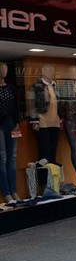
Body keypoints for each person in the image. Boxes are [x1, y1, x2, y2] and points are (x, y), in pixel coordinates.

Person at [29, 64, 61, 164]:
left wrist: (61, 118)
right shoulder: (36, 86)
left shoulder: (55, 86)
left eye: (52, 70)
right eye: (49, 70)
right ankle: (44, 177)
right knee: (44, 152)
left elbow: (60, 102)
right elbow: (31, 104)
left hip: (55, 122)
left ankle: (53, 176)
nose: (52, 72)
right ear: (43, 72)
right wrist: (34, 120)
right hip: (43, 122)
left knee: (53, 151)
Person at [0, 62, 22, 204]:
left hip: (11, 123)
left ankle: (14, 191)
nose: (4, 71)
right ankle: (7, 192)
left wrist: (17, 123)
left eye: (5, 69)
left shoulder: (11, 88)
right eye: (1, 69)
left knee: (12, 157)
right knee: (2, 158)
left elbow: (16, 106)